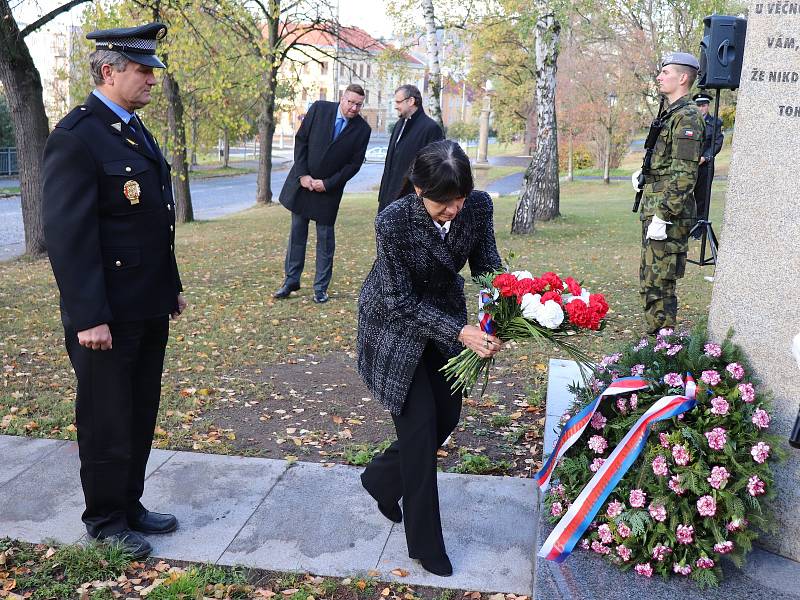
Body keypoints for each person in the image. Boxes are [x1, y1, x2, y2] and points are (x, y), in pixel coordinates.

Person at [42, 23, 185, 559]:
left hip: (144, 304)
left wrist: (170, 287)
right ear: (109, 71)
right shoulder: (76, 137)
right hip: (105, 315)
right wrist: (88, 317)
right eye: (143, 69)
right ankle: (104, 519)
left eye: (151, 69)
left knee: (140, 409)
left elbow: (152, 221)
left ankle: (129, 504)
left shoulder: (131, 129)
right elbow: (70, 239)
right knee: (106, 416)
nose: (152, 79)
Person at [357, 140, 503, 576]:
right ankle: (425, 545)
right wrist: (462, 331)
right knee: (419, 433)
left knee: (447, 417)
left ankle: (380, 479)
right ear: (419, 189)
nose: (454, 210)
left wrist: (509, 307)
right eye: (443, 202)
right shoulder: (393, 221)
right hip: (395, 329)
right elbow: (399, 300)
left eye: (459, 199)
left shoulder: (477, 207)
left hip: (447, 325)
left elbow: (487, 265)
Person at [274, 84, 372, 304]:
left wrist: (327, 184)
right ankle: (291, 281)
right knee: (297, 234)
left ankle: (320, 288)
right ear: (342, 98)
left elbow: (353, 165)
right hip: (303, 183)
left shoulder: (363, 130)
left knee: (325, 240)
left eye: (358, 104)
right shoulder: (319, 109)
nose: (354, 108)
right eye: (350, 102)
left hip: (328, 190)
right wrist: (302, 175)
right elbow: (301, 141)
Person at [639, 52, 705, 334]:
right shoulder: (671, 113)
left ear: (683, 78)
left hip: (668, 215)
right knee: (651, 281)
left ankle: (664, 348)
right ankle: (658, 344)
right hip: (655, 206)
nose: (659, 76)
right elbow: (666, 162)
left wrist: (663, 216)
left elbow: (685, 174)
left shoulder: (688, 117)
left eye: (665, 72)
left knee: (660, 283)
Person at [376, 84, 444, 213]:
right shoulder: (398, 125)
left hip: (410, 204)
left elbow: (432, 171)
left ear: (411, 101)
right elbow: (390, 164)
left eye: (398, 102)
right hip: (387, 201)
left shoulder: (430, 128)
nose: (395, 106)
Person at [691, 92, 724, 230]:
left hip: (705, 166)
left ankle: (699, 228)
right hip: (689, 164)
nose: (701, 108)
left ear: (708, 106)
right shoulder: (690, 121)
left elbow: (717, 143)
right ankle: (686, 227)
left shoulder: (715, 123)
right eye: (698, 105)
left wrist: (705, 157)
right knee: (685, 196)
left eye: (703, 105)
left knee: (702, 198)